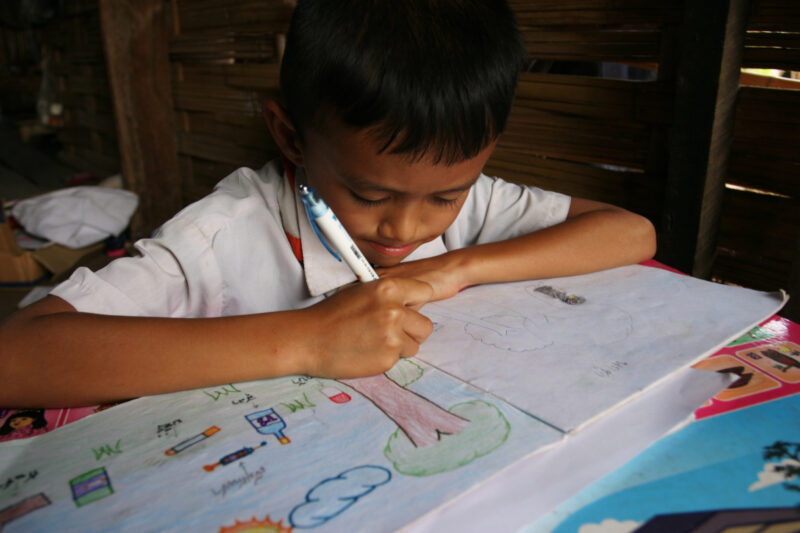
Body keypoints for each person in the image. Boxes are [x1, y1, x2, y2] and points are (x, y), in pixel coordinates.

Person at [0, 0, 655, 408]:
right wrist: (308, 339)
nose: (404, 226)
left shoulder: (475, 208)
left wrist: (452, 270)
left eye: (445, 196)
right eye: (369, 193)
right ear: (290, 135)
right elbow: (17, 356)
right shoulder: (226, 233)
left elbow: (631, 233)